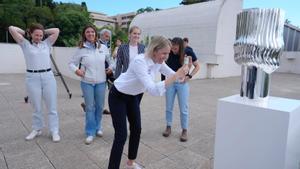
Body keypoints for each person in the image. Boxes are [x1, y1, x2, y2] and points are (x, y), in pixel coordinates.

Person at [108, 36, 188, 169]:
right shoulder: (140, 61)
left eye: (168, 53)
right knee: (121, 135)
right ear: (155, 50)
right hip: (118, 96)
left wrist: (183, 74)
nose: (166, 56)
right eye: (164, 53)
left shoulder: (159, 61)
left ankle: (130, 163)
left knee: (137, 129)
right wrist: (176, 76)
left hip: (133, 96)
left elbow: (173, 74)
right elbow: (153, 89)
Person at [8, 23, 61, 142]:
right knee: (36, 106)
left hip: (48, 76)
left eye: (40, 35)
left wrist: (43, 30)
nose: (39, 37)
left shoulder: (47, 44)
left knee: (52, 106)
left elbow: (56, 30)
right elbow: (11, 29)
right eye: (36, 35)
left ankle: (54, 130)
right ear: (31, 34)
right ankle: (37, 128)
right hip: (32, 77)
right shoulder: (25, 44)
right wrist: (25, 32)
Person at [69, 25, 112, 145]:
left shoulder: (103, 47)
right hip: (87, 82)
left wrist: (111, 68)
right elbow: (71, 63)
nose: (90, 34)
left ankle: (98, 127)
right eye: (87, 32)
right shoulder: (81, 49)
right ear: (84, 34)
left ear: (96, 34)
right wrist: (76, 70)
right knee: (89, 107)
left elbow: (111, 61)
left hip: (101, 82)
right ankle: (90, 132)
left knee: (99, 106)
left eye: (92, 32)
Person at [162, 37, 200, 142]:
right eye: (172, 48)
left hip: (182, 83)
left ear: (180, 47)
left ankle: (184, 130)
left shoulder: (188, 52)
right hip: (170, 82)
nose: (173, 51)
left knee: (183, 108)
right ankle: (168, 126)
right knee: (168, 106)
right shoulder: (169, 51)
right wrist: (163, 83)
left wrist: (189, 76)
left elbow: (197, 66)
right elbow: (163, 68)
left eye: (175, 49)